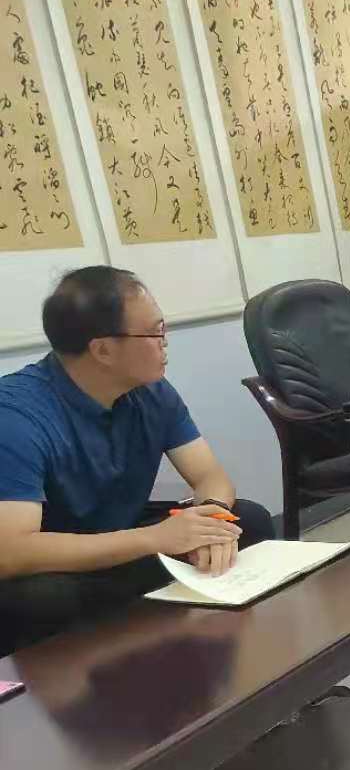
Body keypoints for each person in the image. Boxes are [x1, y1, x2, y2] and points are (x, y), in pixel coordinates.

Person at [0, 267, 275, 656]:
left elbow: (209, 475)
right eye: (155, 332)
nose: (165, 343)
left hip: (123, 542)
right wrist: (154, 538)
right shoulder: (16, 415)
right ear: (103, 350)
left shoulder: (153, 392)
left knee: (248, 519)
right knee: (41, 599)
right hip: (59, 568)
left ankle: (228, 663)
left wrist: (210, 522)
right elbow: (12, 552)